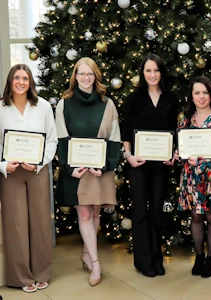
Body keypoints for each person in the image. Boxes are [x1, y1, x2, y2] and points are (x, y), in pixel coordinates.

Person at [56, 57, 121, 287]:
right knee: (84, 214)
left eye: (90, 74)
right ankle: (95, 262)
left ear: (96, 76)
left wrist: (104, 166)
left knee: (94, 214)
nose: (85, 78)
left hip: (99, 169)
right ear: (75, 76)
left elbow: (114, 139)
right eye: (81, 74)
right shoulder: (64, 103)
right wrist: (68, 168)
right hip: (77, 170)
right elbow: (61, 138)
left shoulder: (107, 103)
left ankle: (86, 253)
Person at [0, 64, 58, 293]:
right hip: (11, 174)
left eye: (25, 78)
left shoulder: (43, 106)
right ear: (10, 81)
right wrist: (4, 165)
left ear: (30, 82)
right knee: (16, 225)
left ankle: (42, 272)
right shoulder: (1, 108)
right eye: (17, 78)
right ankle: (21, 277)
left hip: (37, 171)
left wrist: (40, 161)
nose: (21, 82)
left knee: (40, 222)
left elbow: (52, 139)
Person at [122, 53, 178, 277]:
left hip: (161, 165)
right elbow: (126, 132)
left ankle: (157, 258)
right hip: (138, 163)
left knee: (156, 211)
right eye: (148, 70)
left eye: (156, 70)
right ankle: (143, 261)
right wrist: (128, 156)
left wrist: (174, 153)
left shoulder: (171, 99)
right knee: (139, 212)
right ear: (142, 73)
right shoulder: (133, 99)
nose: (152, 75)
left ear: (161, 72)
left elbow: (174, 131)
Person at [177, 76, 211, 278]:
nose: (201, 97)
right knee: (196, 216)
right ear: (191, 96)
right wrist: (180, 156)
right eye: (197, 93)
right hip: (192, 177)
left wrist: (205, 163)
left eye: (205, 92)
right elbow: (181, 147)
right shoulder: (185, 119)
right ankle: (199, 256)